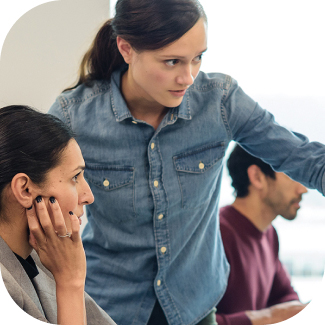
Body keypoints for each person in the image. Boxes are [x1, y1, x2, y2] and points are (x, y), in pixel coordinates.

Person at [48, 0, 325, 324]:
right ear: (126, 48)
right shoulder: (73, 116)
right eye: (172, 62)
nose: (188, 77)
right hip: (107, 307)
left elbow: (304, 158)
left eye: (197, 58)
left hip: (194, 306)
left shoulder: (220, 100)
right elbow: (34, 200)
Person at [0, 105, 116, 325]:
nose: (88, 196)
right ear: (25, 189)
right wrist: (70, 282)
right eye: (76, 177)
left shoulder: (46, 255)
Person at [215, 144, 308, 325]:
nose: (303, 189)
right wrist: (267, 318)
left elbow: (285, 297)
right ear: (257, 177)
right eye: (293, 175)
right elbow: (188, 320)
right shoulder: (216, 236)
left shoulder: (269, 233)